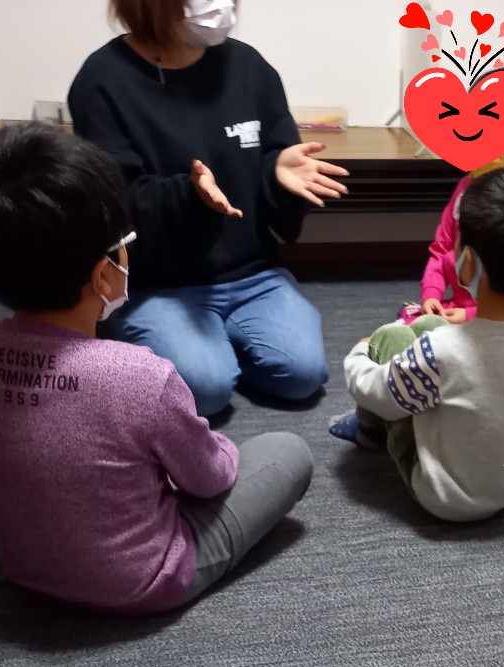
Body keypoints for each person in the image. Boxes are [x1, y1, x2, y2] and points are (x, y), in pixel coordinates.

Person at [0, 123, 313, 614]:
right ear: (104, 275)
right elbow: (210, 478)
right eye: (125, 240)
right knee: (287, 451)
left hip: (21, 563)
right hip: (144, 581)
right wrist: (216, 445)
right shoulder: (140, 375)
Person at [67, 0, 349, 416]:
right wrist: (189, 198)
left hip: (253, 273)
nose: (220, 5)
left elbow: (277, 165)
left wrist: (277, 175)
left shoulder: (251, 68)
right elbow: (115, 204)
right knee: (206, 389)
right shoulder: (102, 80)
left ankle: (212, 345)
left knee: (302, 375)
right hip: (158, 283)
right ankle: (169, 342)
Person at [330, 167, 504, 522]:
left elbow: (373, 389)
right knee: (429, 325)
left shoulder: (441, 353)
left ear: (467, 262)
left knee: (389, 337)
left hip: (448, 498)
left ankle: (368, 431)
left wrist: (360, 353)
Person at [399, 67, 504, 326]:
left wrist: (472, 315)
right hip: (456, 309)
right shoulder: (466, 186)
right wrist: (432, 293)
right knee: (406, 325)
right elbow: (441, 249)